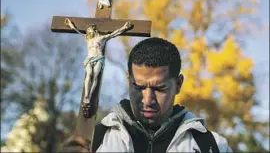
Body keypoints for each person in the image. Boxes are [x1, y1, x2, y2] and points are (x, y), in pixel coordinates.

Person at [62, 37, 233, 153]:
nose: (147, 100)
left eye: (159, 88)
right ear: (129, 79)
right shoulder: (96, 142)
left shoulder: (212, 146)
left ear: (179, 84)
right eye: (138, 86)